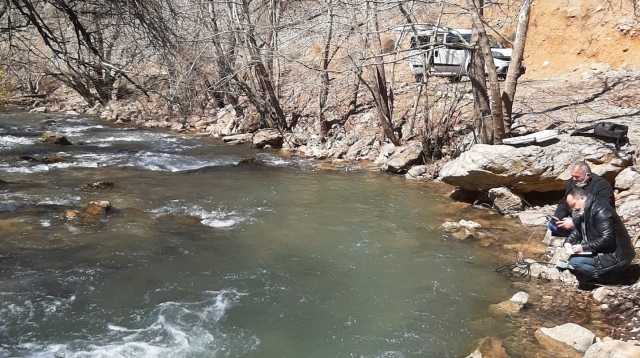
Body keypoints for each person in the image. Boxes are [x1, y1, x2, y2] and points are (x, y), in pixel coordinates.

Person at [563, 187, 635, 283]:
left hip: (617, 255)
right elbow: (578, 229)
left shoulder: (600, 210)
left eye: (573, 205)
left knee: (575, 262)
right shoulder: (585, 208)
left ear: (582, 198)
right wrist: (568, 241)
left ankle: (610, 279)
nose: (573, 209)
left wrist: (584, 248)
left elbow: (607, 239)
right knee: (573, 256)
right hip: (606, 249)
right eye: (570, 207)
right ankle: (607, 273)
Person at [548, 161, 615, 236]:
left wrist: (575, 222)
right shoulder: (573, 182)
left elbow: (599, 211)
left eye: (577, 177)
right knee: (551, 225)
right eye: (572, 176)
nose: (574, 179)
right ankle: (579, 235)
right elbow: (565, 202)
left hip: (594, 221)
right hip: (576, 217)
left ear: (588, 175)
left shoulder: (602, 186)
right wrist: (557, 218)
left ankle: (582, 236)